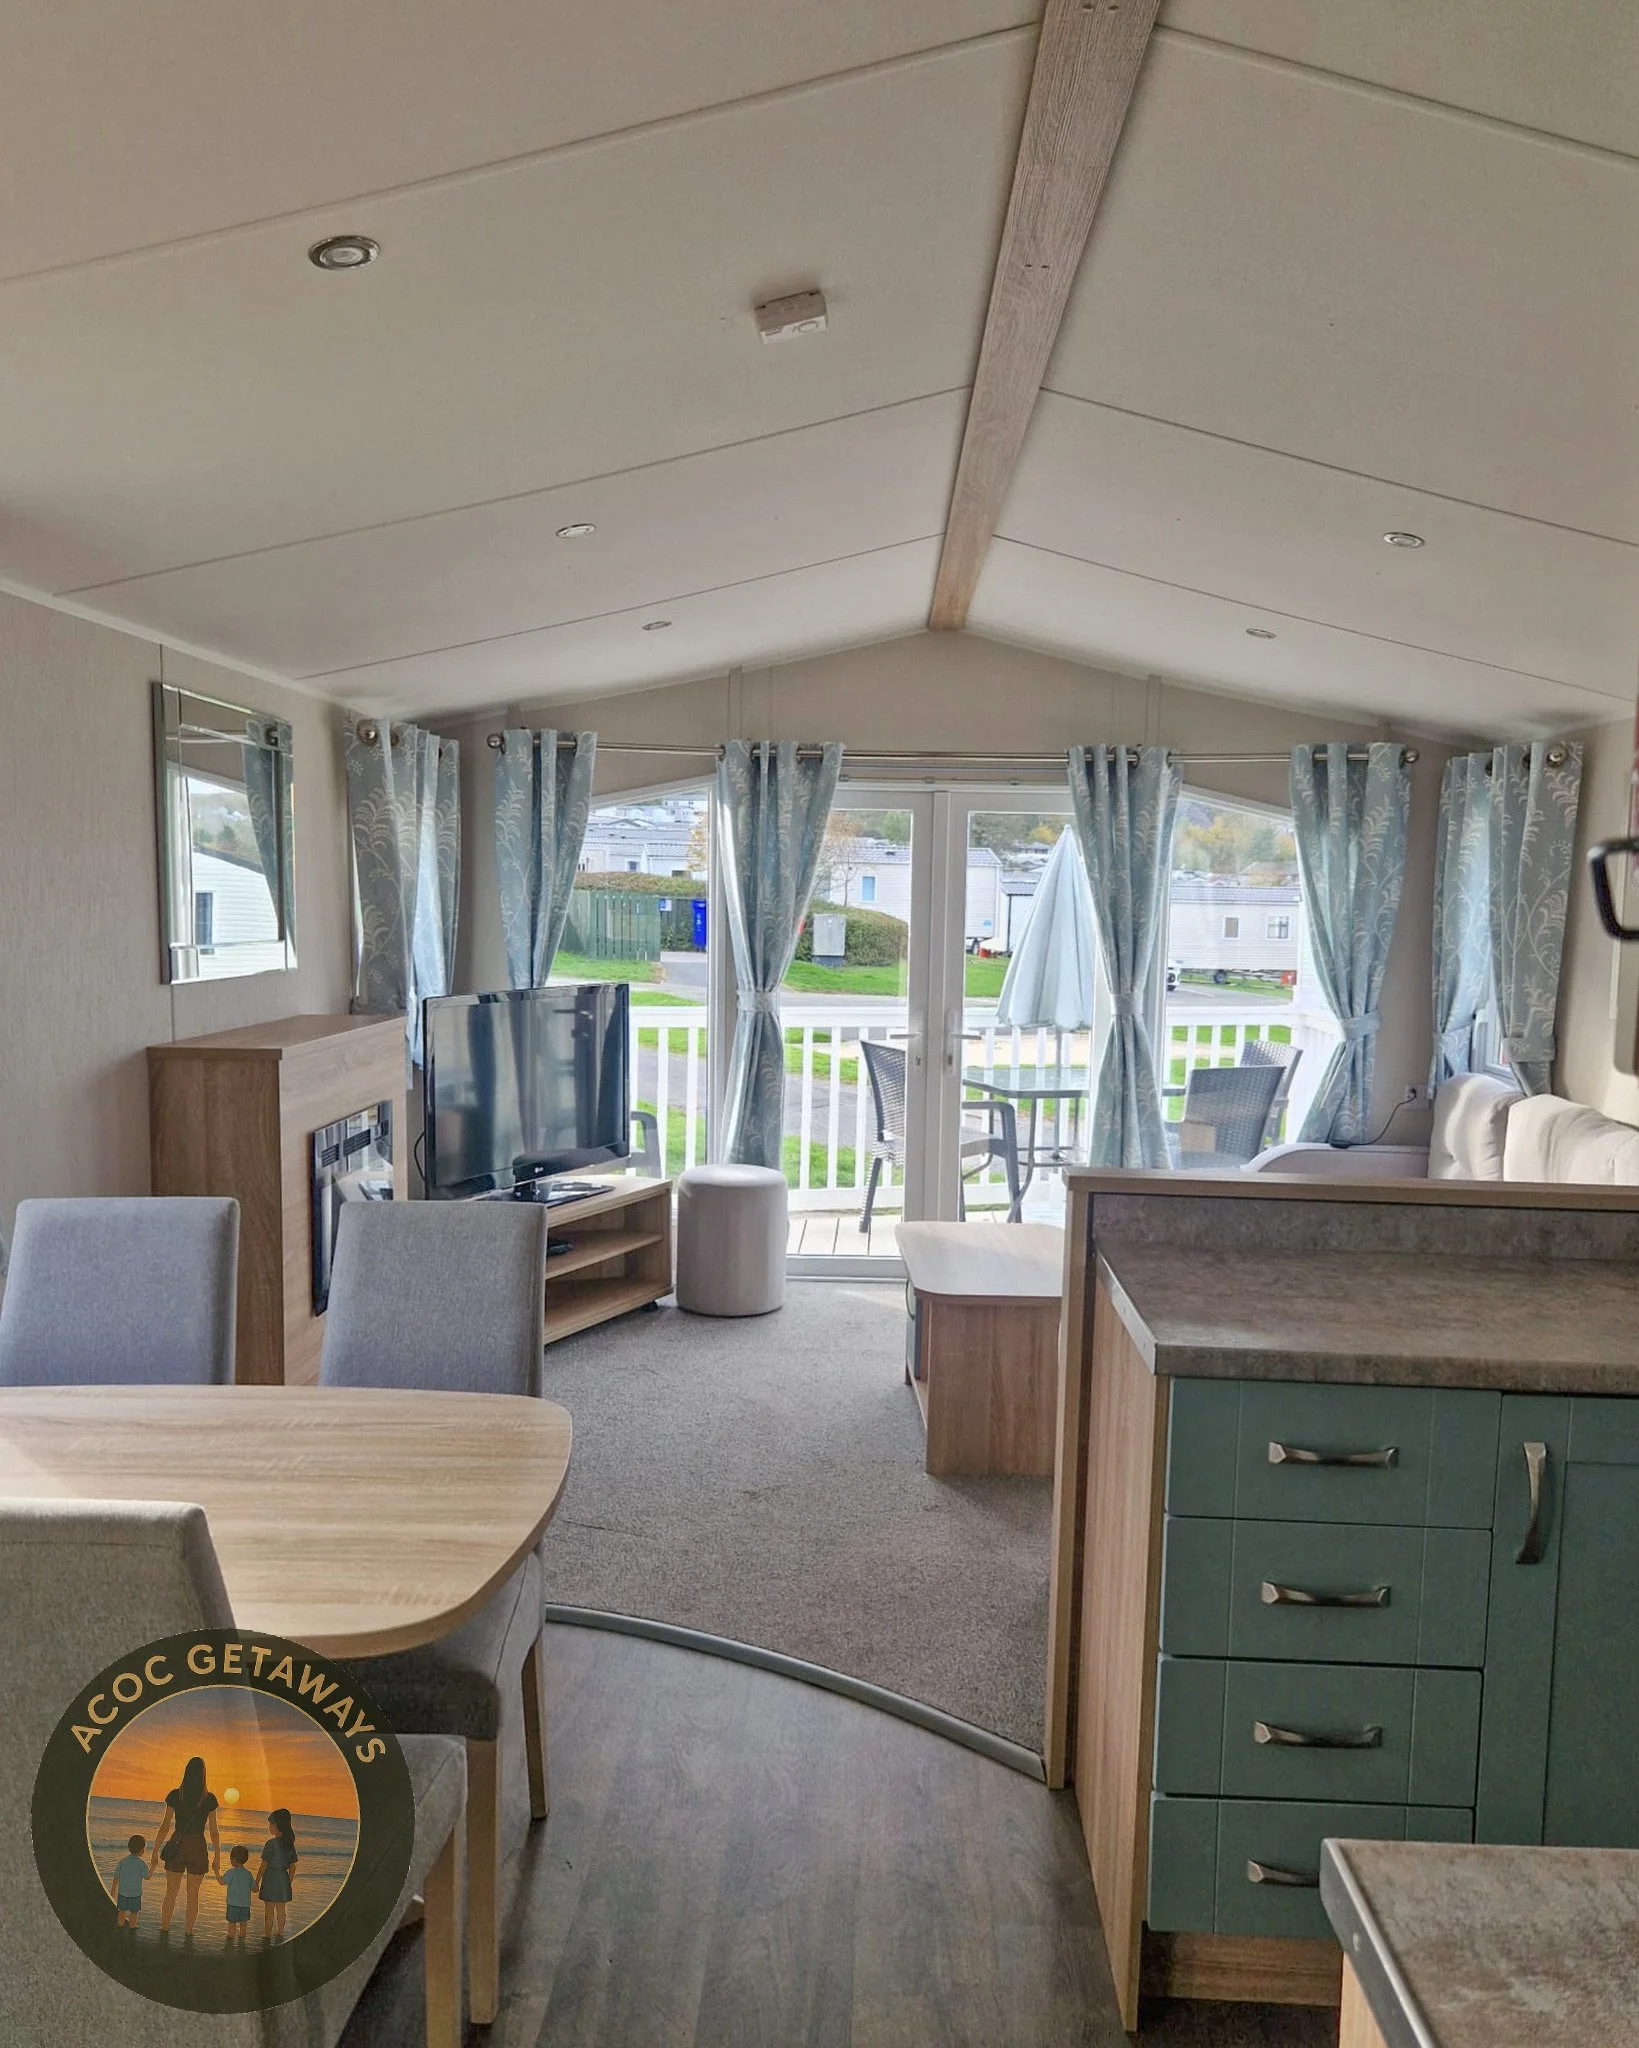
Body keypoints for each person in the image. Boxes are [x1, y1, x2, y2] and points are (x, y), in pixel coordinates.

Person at [148, 1755, 221, 1937]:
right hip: (197, 1847)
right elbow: (214, 1831)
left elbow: (165, 1826)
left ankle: (164, 1928)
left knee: (171, 1892)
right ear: (203, 1774)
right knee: (192, 1895)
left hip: (177, 1844)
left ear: (186, 1772)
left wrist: (155, 1851)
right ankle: (189, 1932)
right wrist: (217, 1856)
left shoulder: (175, 1795)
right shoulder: (209, 1799)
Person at [256, 1809, 298, 1939]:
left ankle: (267, 1934)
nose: (269, 1827)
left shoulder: (270, 1844)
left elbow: (263, 1865)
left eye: (270, 1824)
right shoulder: (289, 1845)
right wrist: (288, 1882)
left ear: (275, 1825)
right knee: (281, 1909)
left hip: (270, 1878)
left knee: (269, 1910)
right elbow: (292, 1867)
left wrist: (256, 1882)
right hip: (283, 1878)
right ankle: (280, 1933)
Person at [218, 1843, 254, 1943]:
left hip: (233, 1904)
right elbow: (255, 1888)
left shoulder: (231, 1872)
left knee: (232, 1924)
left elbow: (222, 1881)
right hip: (245, 1905)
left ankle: (230, 1941)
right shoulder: (248, 1874)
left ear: (233, 1859)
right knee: (243, 1924)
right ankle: (242, 1942)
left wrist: (216, 1871)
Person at [112, 1833, 148, 1929]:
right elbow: (147, 1877)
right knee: (134, 1912)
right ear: (142, 1850)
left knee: (122, 1910)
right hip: (135, 1894)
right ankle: (132, 1926)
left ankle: (120, 1925)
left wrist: (113, 1890)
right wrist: (153, 1866)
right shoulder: (142, 1864)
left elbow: (116, 1877)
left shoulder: (123, 1861)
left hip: (122, 1892)